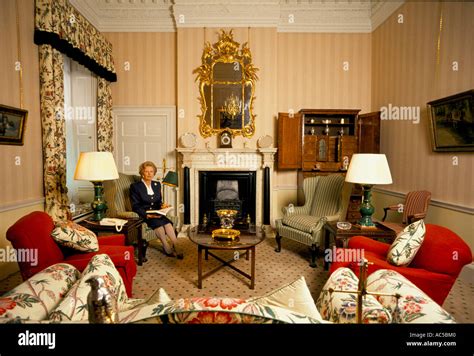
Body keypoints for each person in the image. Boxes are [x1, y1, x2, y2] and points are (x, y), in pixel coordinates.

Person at [129, 161, 183, 259]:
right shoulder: (135, 186)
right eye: (146, 171)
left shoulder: (157, 184)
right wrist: (146, 215)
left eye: (151, 171)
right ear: (142, 173)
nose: (149, 174)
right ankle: (166, 247)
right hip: (145, 214)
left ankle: (176, 245)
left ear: (154, 173)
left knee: (168, 224)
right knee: (159, 225)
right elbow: (135, 205)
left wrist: (163, 206)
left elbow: (158, 202)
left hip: (157, 212)